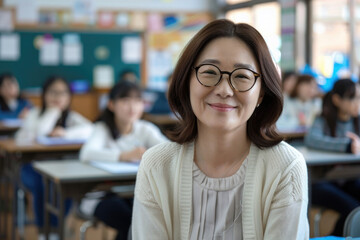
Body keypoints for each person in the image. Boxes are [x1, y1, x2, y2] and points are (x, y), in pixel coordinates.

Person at [132, 19, 309, 239]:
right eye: (209, 73)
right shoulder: (157, 165)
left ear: (261, 93)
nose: (224, 90)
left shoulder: (286, 167)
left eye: (242, 76)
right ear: (188, 82)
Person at [79, 80, 167, 240]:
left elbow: (169, 150)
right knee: (131, 222)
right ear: (111, 104)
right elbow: (86, 154)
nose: (132, 107)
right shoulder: (102, 128)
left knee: (147, 220)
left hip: (132, 192)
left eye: (138, 101)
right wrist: (123, 155)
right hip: (99, 195)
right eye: (125, 100)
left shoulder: (144, 128)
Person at [16, 76, 93, 231]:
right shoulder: (35, 114)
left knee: (67, 182)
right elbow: (39, 132)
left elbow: (91, 129)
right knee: (42, 182)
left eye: (63, 93)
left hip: (62, 167)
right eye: (53, 92)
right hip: (32, 167)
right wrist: (53, 112)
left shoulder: (71, 117)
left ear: (69, 97)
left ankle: (57, 228)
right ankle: (44, 230)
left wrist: (65, 133)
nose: (58, 97)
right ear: (44, 94)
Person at [305, 78, 360, 235]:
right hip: (321, 181)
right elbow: (312, 139)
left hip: (349, 179)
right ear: (337, 100)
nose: (358, 102)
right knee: (354, 209)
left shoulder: (357, 121)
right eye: (353, 98)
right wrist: (346, 146)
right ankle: (336, 237)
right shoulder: (323, 120)